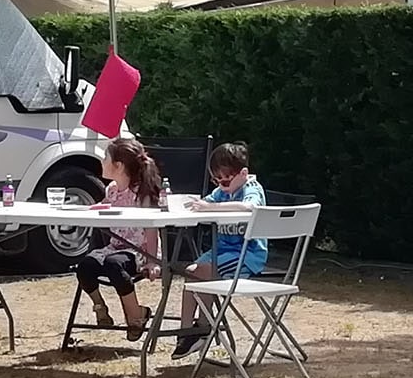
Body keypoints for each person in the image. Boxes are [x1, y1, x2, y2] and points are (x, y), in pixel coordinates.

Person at [173, 140, 269, 357]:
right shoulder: (222, 191)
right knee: (192, 272)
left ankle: (202, 328)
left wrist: (213, 207)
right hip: (222, 252)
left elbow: (251, 206)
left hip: (247, 255)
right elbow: (203, 202)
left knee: (202, 273)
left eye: (225, 181)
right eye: (217, 180)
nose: (221, 185)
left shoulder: (251, 188)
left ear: (243, 173)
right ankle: (187, 331)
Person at [69, 134, 165, 339]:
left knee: (114, 264)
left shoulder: (143, 193)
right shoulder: (112, 189)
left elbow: (151, 228)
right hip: (116, 246)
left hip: (139, 249)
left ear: (119, 166)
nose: (102, 162)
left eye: (106, 157)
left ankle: (136, 315)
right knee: (86, 265)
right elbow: (102, 208)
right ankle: (100, 307)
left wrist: (151, 261)